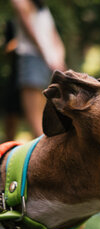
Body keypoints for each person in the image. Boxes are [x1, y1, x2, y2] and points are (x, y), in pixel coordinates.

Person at [10, 0, 66, 137]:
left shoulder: (42, 9)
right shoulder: (22, 2)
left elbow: (55, 37)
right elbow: (29, 28)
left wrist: (57, 61)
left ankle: (46, 155)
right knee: (37, 119)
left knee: (40, 119)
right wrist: (52, 59)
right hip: (35, 59)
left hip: (44, 62)